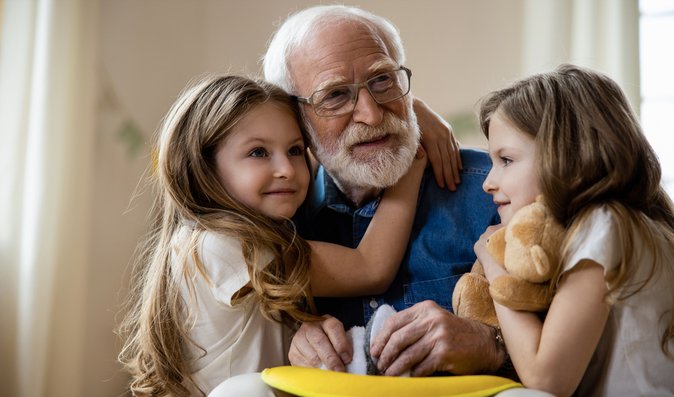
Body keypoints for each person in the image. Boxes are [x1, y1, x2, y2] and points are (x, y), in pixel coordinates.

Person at [117, 74, 428, 396]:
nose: (287, 169)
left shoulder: (202, 239)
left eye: (295, 150)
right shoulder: (224, 245)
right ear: (204, 166)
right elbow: (369, 268)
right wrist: (412, 157)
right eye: (258, 153)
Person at [262, 4, 504, 377]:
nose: (372, 115)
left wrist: (490, 344)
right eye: (335, 96)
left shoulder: (495, 189)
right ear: (296, 119)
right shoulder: (281, 219)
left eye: (382, 81)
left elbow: (576, 356)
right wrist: (295, 340)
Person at [474, 64, 674, 396]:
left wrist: (491, 261)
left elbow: (545, 379)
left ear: (565, 155)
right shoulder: (640, 225)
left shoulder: (603, 225)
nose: (488, 182)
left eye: (506, 160)